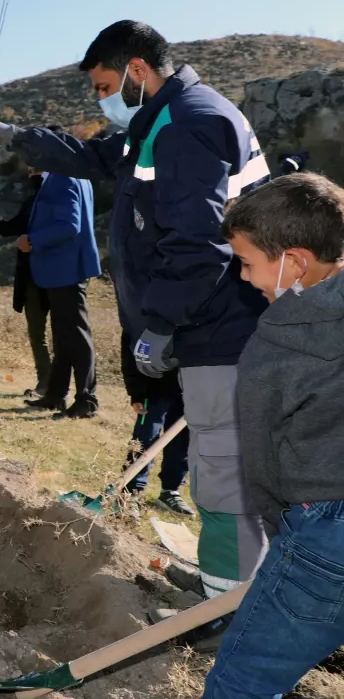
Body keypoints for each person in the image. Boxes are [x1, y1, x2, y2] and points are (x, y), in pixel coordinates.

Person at [0, 20, 269, 607]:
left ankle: (229, 608)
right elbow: (94, 158)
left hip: (219, 324)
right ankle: (221, 581)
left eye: (105, 84)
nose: (102, 98)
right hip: (204, 321)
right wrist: (14, 136)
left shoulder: (187, 126)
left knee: (225, 468)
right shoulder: (158, 122)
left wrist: (160, 323)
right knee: (214, 459)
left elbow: (198, 243)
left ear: (136, 71)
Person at [199, 173, 344, 698]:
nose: (242, 277)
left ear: (296, 262)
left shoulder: (274, 348)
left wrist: (286, 544)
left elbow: (260, 465)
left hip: (325, 532)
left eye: (246, 262)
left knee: (243, 682)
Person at [21, 169, 101, 418]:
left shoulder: (62, 179)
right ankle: (56, 395)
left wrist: (33, 240)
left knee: (76, 335)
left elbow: (69, 224)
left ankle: (86, 400)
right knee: (64, 335)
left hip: (67, 269)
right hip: (64, 270)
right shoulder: (75, 176)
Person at [0, 177, 50, 397]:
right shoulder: (31, 201)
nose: (33, 171)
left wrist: (34, 241)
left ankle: (62, 388)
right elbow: (8, 229)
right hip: (32, 280)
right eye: (32, 167)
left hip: (60, 277)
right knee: (37, 335)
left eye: (39, 168)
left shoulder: (64, 197)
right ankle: (45, 383)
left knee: (65, 335)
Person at [119, 329, 193, 515]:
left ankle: (170, 490)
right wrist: (136, 390)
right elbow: (130, 343)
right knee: (145, 436)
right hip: (153, 385)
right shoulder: (145, 307)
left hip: (190, 384)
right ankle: (131, 490)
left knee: (182, 439)